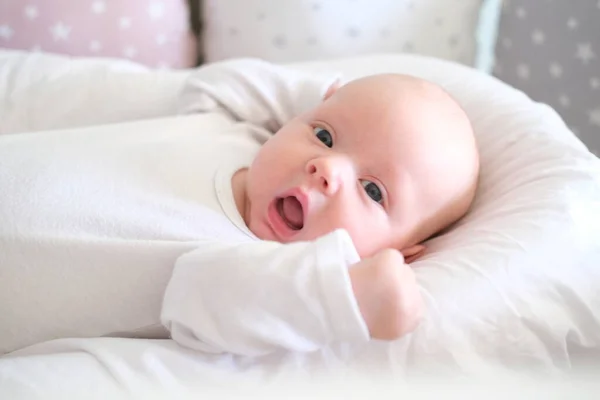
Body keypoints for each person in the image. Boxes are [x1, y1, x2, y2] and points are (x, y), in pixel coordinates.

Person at [0, 58, 479, 356]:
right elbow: (218, 84)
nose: (327, 168)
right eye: (325, 135)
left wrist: (347, 293)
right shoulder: (231, 128)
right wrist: (332, 100)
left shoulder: (255, 265)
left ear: (403, 252)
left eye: (373, 191)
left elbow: (216, 301)